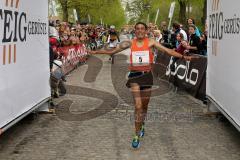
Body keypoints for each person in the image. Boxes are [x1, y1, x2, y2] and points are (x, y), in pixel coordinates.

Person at [89, 22, 192, 149]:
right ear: (135, 30)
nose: (139, 31)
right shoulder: (130, 43)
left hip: (147, 76)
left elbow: (168, 51)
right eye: (137, 29)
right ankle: (136, 134)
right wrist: (96, 52)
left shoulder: (151, 42)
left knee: (144, 106)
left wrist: (183, 56)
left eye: (142, 28)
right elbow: (113, 50)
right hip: (135, 76)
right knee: (138, 106)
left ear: (146, 30)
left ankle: (142, 123)